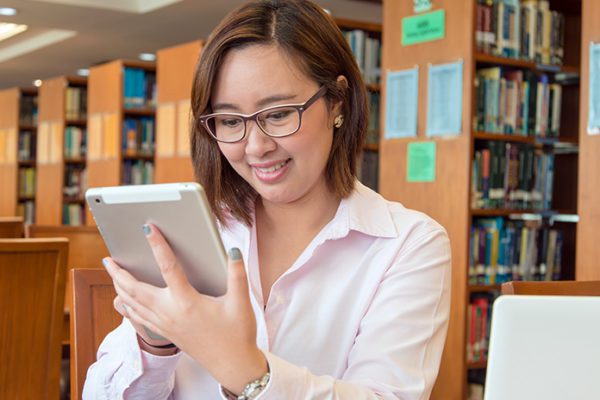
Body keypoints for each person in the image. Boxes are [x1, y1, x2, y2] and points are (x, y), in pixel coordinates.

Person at [83, 0, 451, 399]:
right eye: (229, 121)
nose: (255, 147)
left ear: (337, 103)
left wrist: (241, 367)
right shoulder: (189, 231)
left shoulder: (408, 245)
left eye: (277, 114)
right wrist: (155, 343)